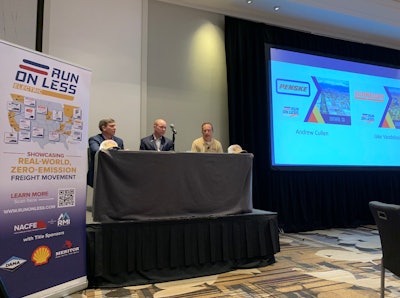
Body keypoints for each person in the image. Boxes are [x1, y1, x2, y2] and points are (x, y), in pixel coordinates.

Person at [87, 118, 124, 187]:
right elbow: (97, 151)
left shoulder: (119, 141)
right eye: (111, 126)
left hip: (114, 174)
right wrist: (116, 151)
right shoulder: (94, 139)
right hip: (99, 173)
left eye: (115, 126)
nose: (115, 128)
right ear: (103, 128)